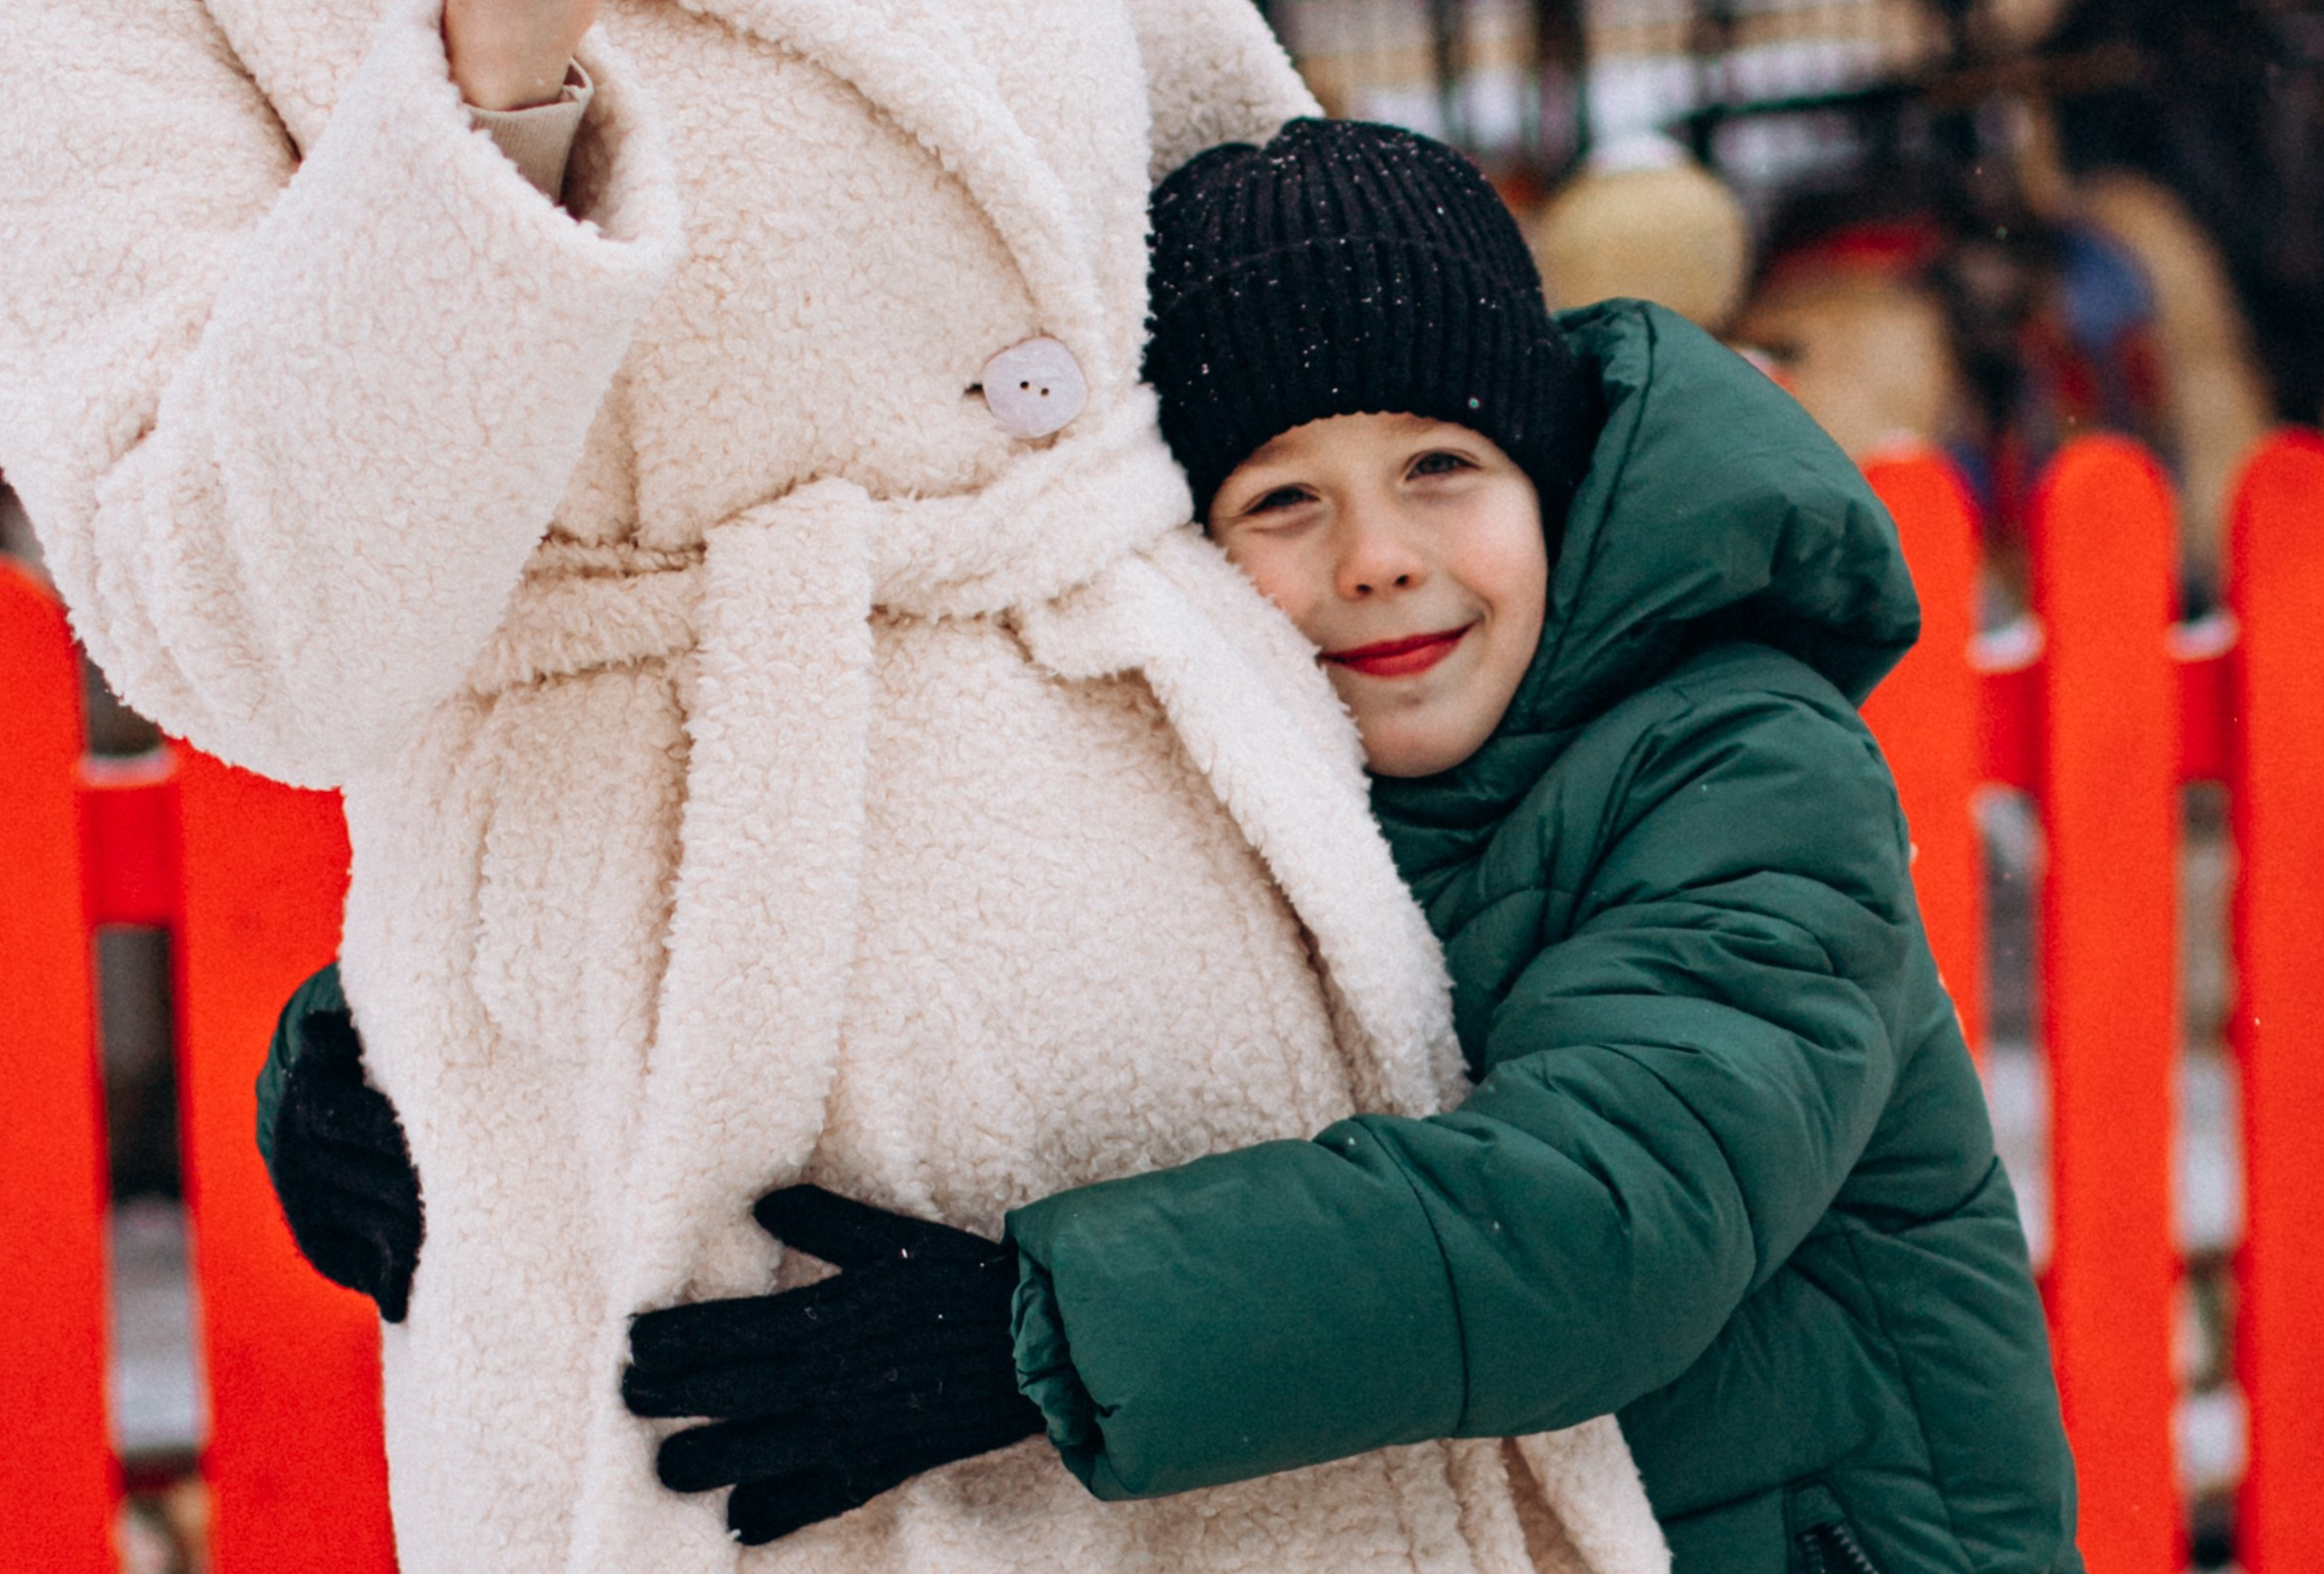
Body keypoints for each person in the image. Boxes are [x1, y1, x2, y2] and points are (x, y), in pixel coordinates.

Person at [0, 4, 1661, 1573]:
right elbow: (253, 638)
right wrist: (493, 93)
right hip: (688, 1140)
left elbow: (1338, 293)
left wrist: (1720, 637)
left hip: (1249, 1125)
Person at [263, 117, 2083, 1573]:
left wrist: (1047, 1334)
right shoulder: (1226, 754)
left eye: (1440, 466)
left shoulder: (1736, 760)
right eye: (1284, 499)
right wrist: (399, 1061)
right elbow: (841, 883)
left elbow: (1624, 1208)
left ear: (1546, 471)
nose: (1376, 555)